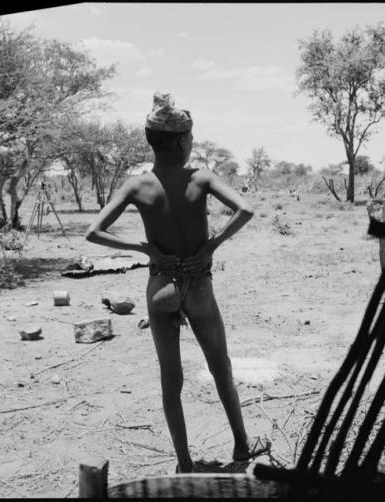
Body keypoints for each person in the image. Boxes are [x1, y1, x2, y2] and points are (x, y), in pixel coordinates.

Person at [86, 92, 270, 473]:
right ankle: (241, 445)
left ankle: (185, 462)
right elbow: (246, 210)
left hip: (161, 286)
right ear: (184, 141)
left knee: (171, 380)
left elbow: (94, 232)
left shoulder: (137, 185)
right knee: (221, 366)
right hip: (198, 284)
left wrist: (144, 247)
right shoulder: (200, 177)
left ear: (151, 142)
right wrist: (212, 245)